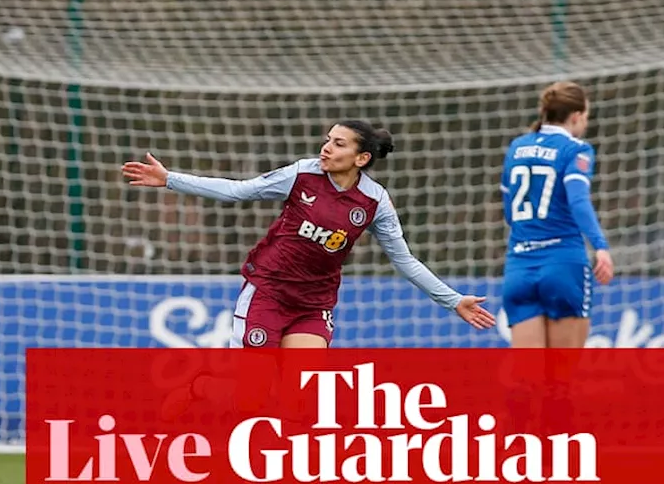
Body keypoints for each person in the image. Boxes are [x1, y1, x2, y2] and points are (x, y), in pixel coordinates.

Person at [122, 120, 496, 349]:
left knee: (303, 395)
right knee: (252, 397)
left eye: (339, 143)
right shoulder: (302, 174)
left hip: (313, 304)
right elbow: (239, 192)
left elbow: (404, 261)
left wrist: (453, 300)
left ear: (361, 158)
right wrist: (170, 179)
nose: (327, 147)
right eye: (328, 139)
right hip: (267, 291)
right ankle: (203, 386)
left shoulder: (374, 201)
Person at [500, 81, 613, 348]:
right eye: (585, 117)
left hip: (519, 268)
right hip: (563, 263)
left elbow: (509, 212)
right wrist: (600, 246)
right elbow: (578, 199)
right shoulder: (576, 149)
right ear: (576, 117)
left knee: (529, 384)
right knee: (561, 383)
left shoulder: (517, 148)